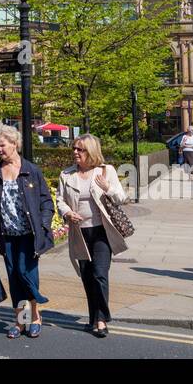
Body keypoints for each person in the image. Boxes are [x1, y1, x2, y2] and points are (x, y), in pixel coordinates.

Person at [0, 126, 55, 339]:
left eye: (2, 145)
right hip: (7, 235)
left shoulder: (31, 170)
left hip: (29, 235)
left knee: (26, 273)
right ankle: (21, 321)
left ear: (14, 144)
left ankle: (36, 316)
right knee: (14, 277)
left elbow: (46, 202)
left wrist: (43, 225)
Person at [57, 135, 128, 337]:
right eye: (74, 149)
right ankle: (93, 318)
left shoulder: (105, 171)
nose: (75, 152)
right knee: (87, 277)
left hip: (102, 231)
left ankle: (102, 319)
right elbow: (60, 200)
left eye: (80, 149)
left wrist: (108, 188)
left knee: (99, 274)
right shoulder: (67, 174)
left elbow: (122, 199)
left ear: (91, 152)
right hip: (79, 232)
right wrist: (67, 212)